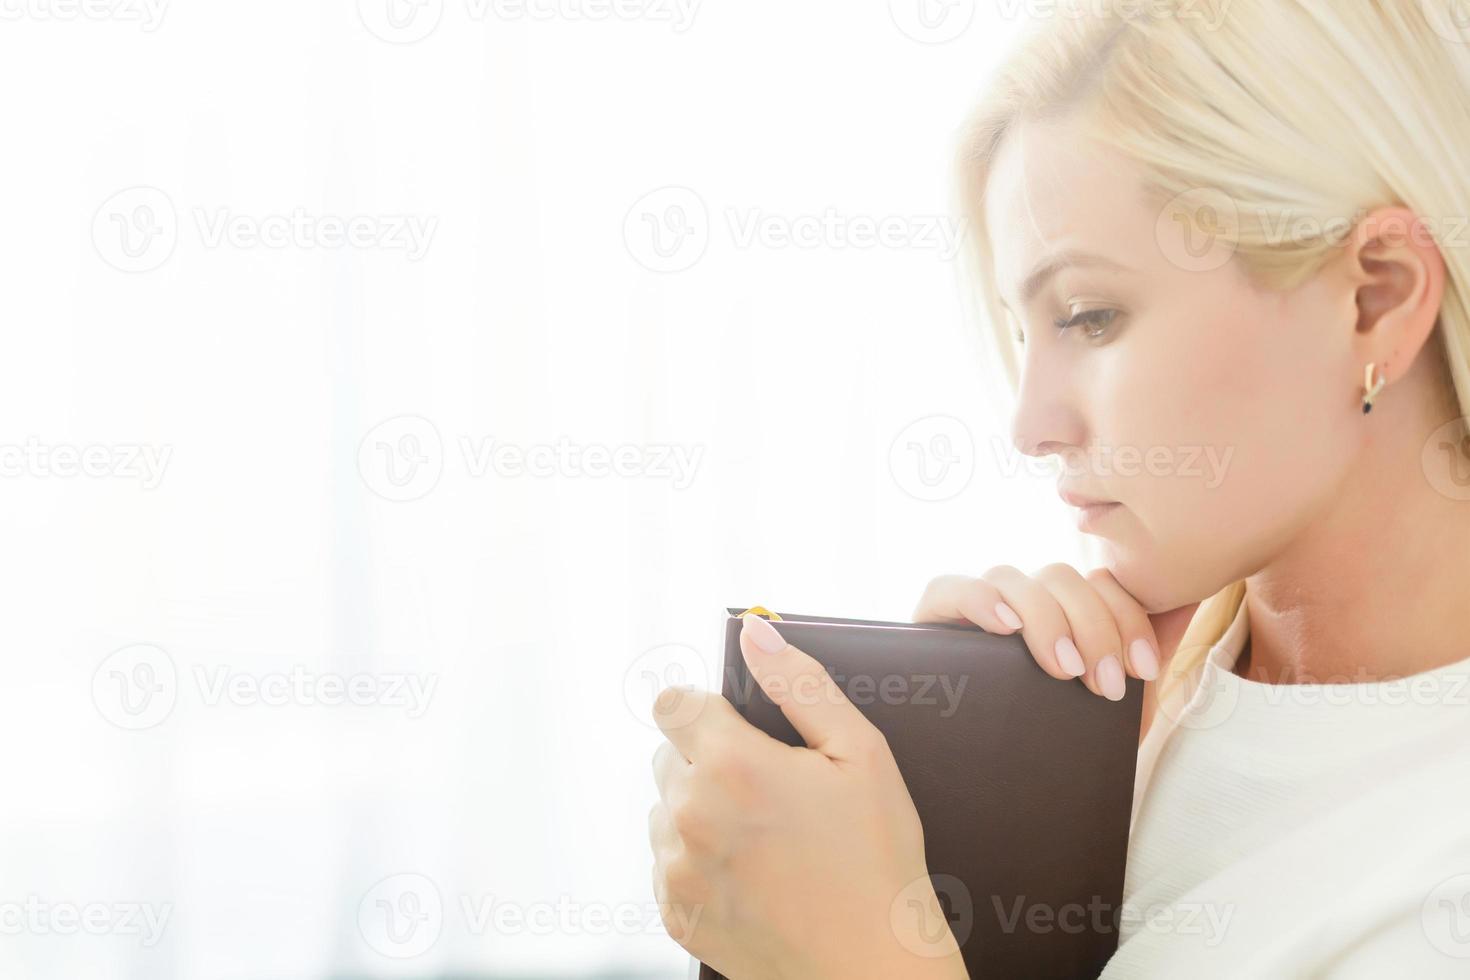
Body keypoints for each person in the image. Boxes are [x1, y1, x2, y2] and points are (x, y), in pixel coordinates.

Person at [647, 2, 1470, 975]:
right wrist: (970, 834)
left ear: (1376, 295)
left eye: (1089, 314)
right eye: (1026, 327)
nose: (1030, 426)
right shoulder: (1130, 713)